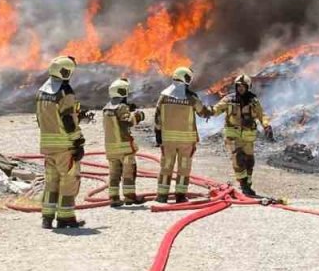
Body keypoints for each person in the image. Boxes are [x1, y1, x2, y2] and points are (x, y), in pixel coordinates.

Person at [34, 55, 86, 229]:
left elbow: (42, 119)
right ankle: (66, 217)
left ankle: (47, 217)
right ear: (66, 71)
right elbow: (68, 121)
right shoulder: (64, 92)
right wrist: (78, 142)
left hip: (47, 144)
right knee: (68, 180)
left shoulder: (42, 92)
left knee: (51, 180)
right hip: (64, 145)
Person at [153, 65, 212, 204]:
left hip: (168, 140)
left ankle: (162, 195)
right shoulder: (191, 98)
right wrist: (210, 111)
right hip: (186, 140)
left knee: (166, 166)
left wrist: (158, 135)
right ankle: (180, 195)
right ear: (187, 80)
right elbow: (202, 112)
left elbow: (157, 117)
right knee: (184, 168)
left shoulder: (164, 96)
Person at [212, 73, 273, 197]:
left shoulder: (253, 101)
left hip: (248, 136)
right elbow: (216, 109)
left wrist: (266, 126)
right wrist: (206, 111)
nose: (240, 88)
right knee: (238, 158)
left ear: (248, 87)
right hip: (232, 135)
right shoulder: (229, 100)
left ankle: (248, 183)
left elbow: (262, 115)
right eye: (238, 86)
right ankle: (243, 184)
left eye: (243, 86)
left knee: (249, 161)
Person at [102, 77, 145, 207]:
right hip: (124, 147)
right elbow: (128, 122)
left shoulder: (105, 108)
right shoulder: (121, 107)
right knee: (128, 173)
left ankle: (114, 198)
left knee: (114, 174)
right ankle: (129, 197)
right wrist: (138, 115)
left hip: (111, 148)